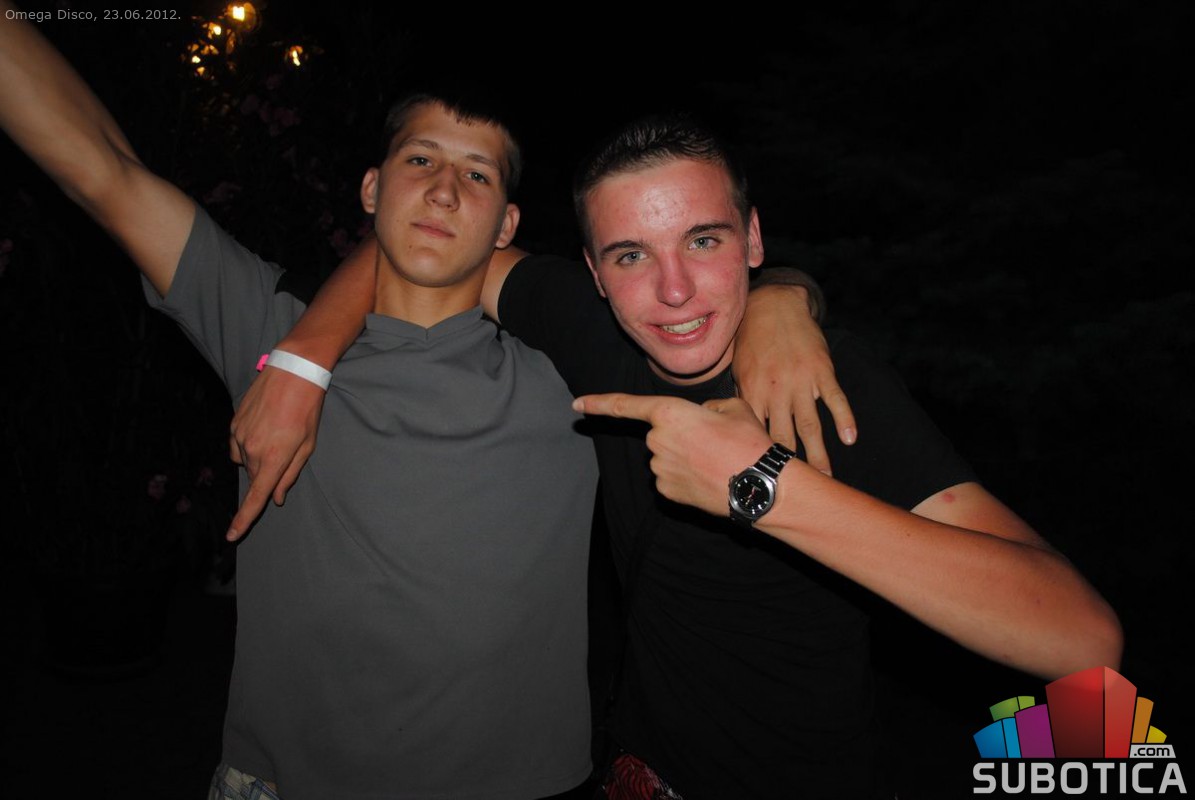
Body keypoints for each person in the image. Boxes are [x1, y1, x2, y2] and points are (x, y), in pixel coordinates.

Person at [1, 11, 845, 796]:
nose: (444, 191)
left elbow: (684, 301)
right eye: (420, 161)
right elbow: (101, 169)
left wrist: (781, 294)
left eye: (476, 174)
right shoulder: (267, 327)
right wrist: (300, 356)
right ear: (371, 190)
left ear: (506, 224)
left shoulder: (570, 375)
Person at [239, 116, 1123, 798]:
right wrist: (305, 359)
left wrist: (762, 484)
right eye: (631, 255)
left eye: (704, 240)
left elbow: (1078, 636)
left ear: (752, 240)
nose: (672, 290)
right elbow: (423, 247)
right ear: (593, 273)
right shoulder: (584, 327)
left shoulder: (825, 386)